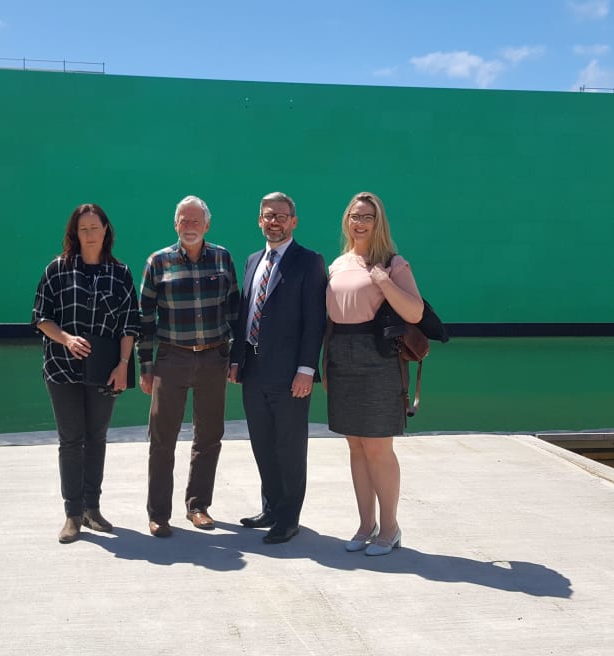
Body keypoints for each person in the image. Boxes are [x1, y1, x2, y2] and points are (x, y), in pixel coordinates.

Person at [32, 202, 140, 544]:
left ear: (106, 230)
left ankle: (93, 508)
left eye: (95, 227)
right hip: (62, 368)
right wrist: (65, 338)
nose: (90, 234)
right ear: (74, 233)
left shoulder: (120, 273)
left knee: (97, 437)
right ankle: (72, 514)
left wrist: (123, 365)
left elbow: (129, 323)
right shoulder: (57, 269)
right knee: (71, 439)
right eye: (83, 229)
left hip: (105, 370)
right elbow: (40, 316)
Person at [325, 191, 423, 556]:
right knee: (355, 446)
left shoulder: (393, 263)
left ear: (378, 222)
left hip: (378, 356)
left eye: (367, 216)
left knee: (379, 447)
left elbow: (414, 313)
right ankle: (366, 525)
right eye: (354, 215)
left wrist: (383, 282)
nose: (359, 222)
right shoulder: (337, 264)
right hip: (340, 354)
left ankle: (391, 528)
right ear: (346, 221)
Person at [138, 195, 240, 538]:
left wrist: (235, 357)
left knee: (209, 436)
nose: (190, 226)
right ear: (175, 224)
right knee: (162, 438)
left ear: (207, 225)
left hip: (213, 356)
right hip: (171, 357)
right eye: (184, 220)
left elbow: (234, 312)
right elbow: (145, 318)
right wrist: (145, 366)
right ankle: (158, 514)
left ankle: (198, 507)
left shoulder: (223, 258)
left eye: (196, 220)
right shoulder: (158, 262)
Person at [229, 192, 327, 544]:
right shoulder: (253, 260)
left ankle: (289, 518)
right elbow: (245, 313)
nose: (275, 221)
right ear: (260, 220)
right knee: (262, 443)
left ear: (294, 221)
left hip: (290, 374)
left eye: (282, 216)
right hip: (253, 370)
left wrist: (306, 369)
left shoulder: (309, 261)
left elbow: (315, 320)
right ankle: (270, 506)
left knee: (289, 445)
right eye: (269, 215)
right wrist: (237, 360)